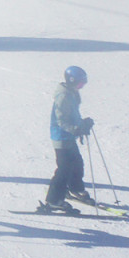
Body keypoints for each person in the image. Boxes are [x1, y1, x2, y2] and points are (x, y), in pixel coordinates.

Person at [38, 66, 93, 215]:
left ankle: (75, 189)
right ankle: (54, 200)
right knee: (64, 169)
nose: (82, 85)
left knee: (77, 163)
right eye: (81, 82)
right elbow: (61, 120)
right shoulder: (64, 96)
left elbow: (72, 115)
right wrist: (75, 129)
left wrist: (82, 124)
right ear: (72, 80)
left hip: (68, 136)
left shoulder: (72, 93)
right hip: (61, 137)